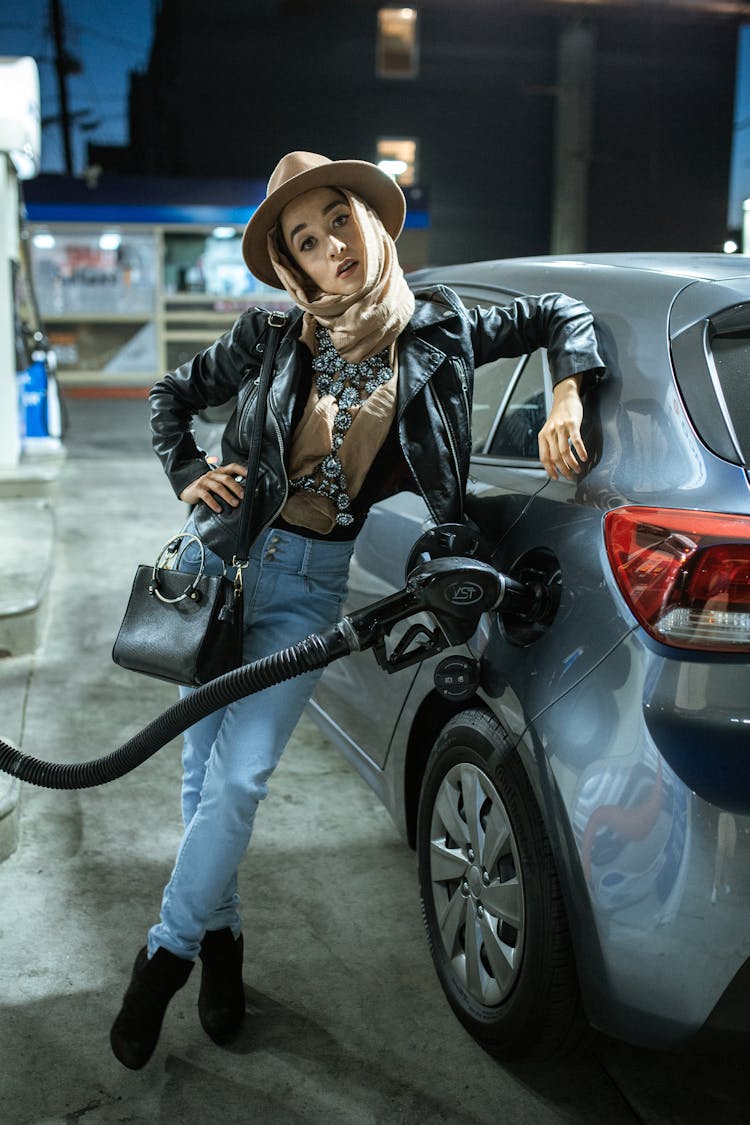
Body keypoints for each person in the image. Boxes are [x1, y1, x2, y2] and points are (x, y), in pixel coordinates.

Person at [110, 150, 605, 1068]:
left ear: (370, 223)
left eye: (338, 219)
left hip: (305, 588)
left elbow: (561, 314)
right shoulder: (271, 337)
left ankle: (164, 954)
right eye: (306, 239)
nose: (330, 244)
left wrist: (566, 390)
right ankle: (222, 949)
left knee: (242, 777)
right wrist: (189, 474)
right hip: (223, 571)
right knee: (197, 781)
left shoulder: (440, 330)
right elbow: (169, 394)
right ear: (292, 266)